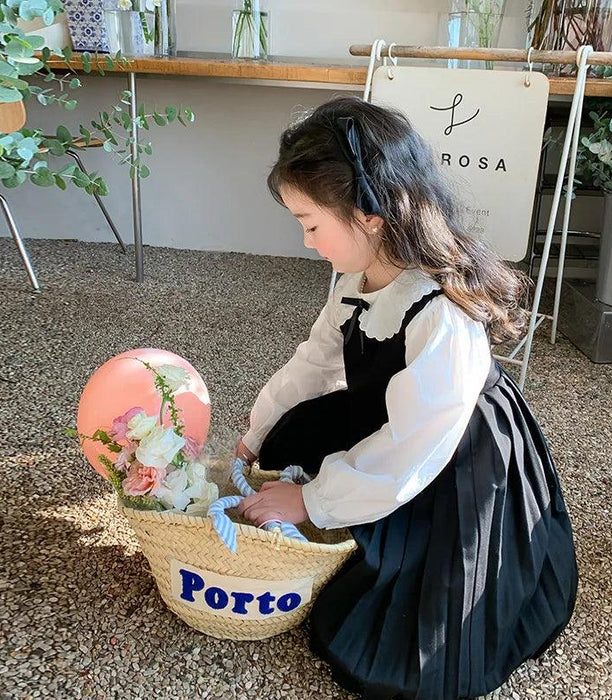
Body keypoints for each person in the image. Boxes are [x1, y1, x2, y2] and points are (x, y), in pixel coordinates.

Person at [236, 95, 578, 700]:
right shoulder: (356, 280)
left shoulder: (441, 312)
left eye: (312, 225)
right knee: (291, 435)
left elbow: (416, 443)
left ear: (369, 215)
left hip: (453, 457)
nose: (308, 243)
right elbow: (315, 360)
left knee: (386, 642)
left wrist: (312, 500)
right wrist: (257, 431)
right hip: (396, 414)